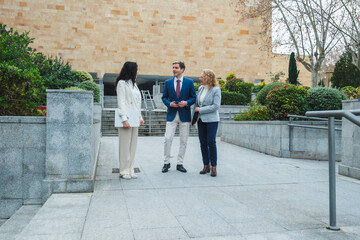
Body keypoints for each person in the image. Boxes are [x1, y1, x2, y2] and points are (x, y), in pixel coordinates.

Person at [161, 61, 196, 173]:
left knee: (184, 141)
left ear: (182, 69)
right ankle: (166, 162)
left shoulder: (189, 82)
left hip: (184, 115)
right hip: (171, 114)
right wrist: (169, 104)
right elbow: (164, 97)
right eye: (173, 68)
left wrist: (186, 103)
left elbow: (194, 97)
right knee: (167, 139)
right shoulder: (168, 82)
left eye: (176, 68)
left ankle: (180, 163)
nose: (174, 70)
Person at [115, 61, 144, 180]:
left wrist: (140, 117)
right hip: (126, 118)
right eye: (136, 69)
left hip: (135, 117)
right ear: (131, 70)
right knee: (125, 145)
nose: (138, 72)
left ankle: (131, 168)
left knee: (133, 144)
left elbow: (137, 103)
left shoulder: (134, 84)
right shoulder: (122, 83)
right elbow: (121, 101)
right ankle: (124, 170)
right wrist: (124, 118)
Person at [194, 69, 221, 177]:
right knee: (203, 143)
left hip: (212, 120)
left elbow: (216, 106)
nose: (200, 78)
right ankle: (206, 165)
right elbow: (197, 104)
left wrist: (201, 110)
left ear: (208, 78)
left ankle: (214, 166)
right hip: (201, 120)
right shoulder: (200, 88)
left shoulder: (216, 90)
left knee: (211, 142)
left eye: (202, 76)